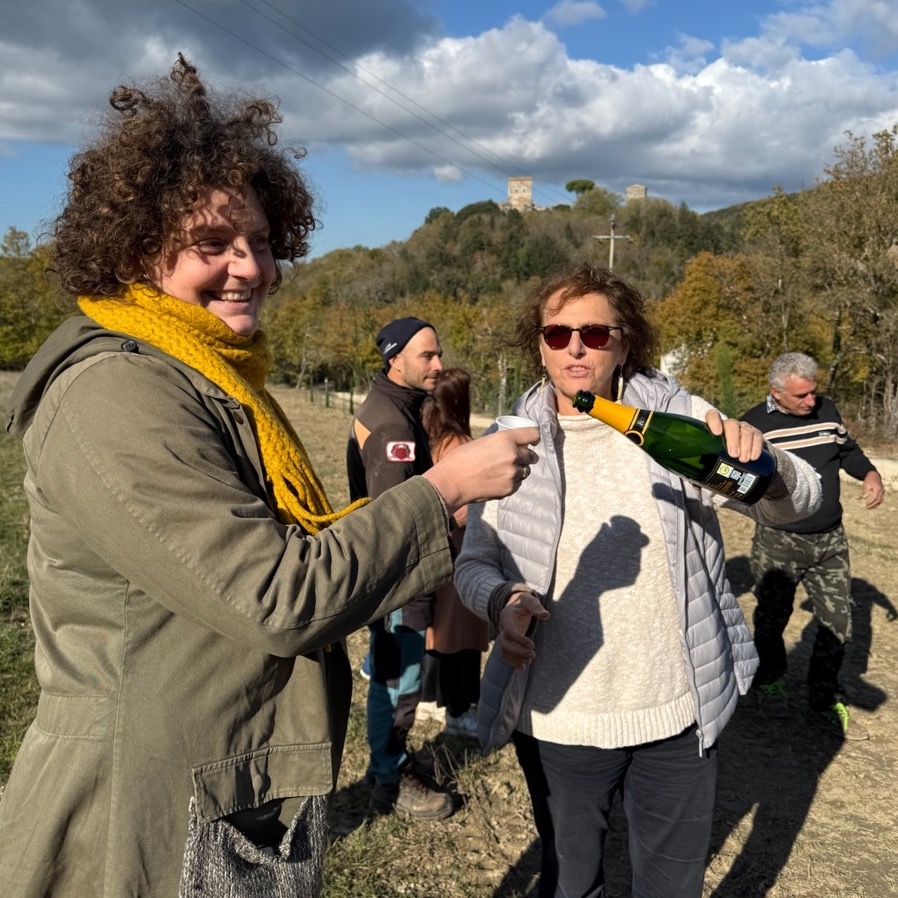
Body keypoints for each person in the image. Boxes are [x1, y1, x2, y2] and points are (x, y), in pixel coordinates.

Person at [0, 55, 539, 898]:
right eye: (212, 244)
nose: (249, 266)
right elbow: (278, 594)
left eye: (260, 241)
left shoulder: (214, 374)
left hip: (222, 784)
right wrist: (447, 490)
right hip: (138, 816)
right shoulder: (114, 388)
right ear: (136, 248)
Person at [454, 263, 821, 898]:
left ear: (624, 341)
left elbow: (801, 502)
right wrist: (502, 600)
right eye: (556, 332)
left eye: (595, 334)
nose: (574, 346)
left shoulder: (681, 417)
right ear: (537, 342)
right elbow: (472, 563)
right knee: (572, 885)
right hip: (562, 714)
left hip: (677, 709)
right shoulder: (508, 440)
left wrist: (766, 462)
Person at [741, 351, 884, 741]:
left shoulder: (828, 411)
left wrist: (869, 473)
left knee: (838, 623)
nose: (811, 402)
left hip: (831, 540)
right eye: (801, 396)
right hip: (778, 542)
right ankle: (769, 683)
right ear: (776, 393)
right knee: (772, 618)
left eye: (814, 394)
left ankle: (823, 698)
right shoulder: (753, 426)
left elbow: (847, 451)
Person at [346, 316, 455, 819]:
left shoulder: (398, 407)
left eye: (438, 354)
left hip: (399, 577)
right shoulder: (393, 424)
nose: (438, 364)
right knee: (397, 679)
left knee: (396, 675)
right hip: (398, 581)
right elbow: (394, 524)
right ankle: (389, 778)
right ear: (395, 361)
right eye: (427, 356)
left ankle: (387, 762)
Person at [420, 368, 490, 738]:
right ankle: (459, 709)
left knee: (439, 631)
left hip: (436, 552)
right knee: (459, 635)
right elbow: (460, 507)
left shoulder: (431, 438)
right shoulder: (461, 445)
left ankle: (430, 700)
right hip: (460, 551)